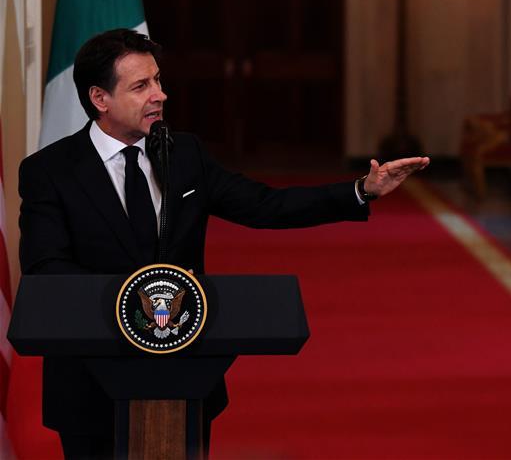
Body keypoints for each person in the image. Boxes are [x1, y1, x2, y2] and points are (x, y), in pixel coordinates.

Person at [18, 28, 430, 459]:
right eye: (141, 86)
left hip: (186, 377)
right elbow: (47, 272)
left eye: (158, 80)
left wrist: (362, 189)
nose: (159, 94)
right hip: (91, 385)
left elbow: (265, 205)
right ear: (100, 98)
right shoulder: (50, 171)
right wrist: (131, 307)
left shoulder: (185, 154)